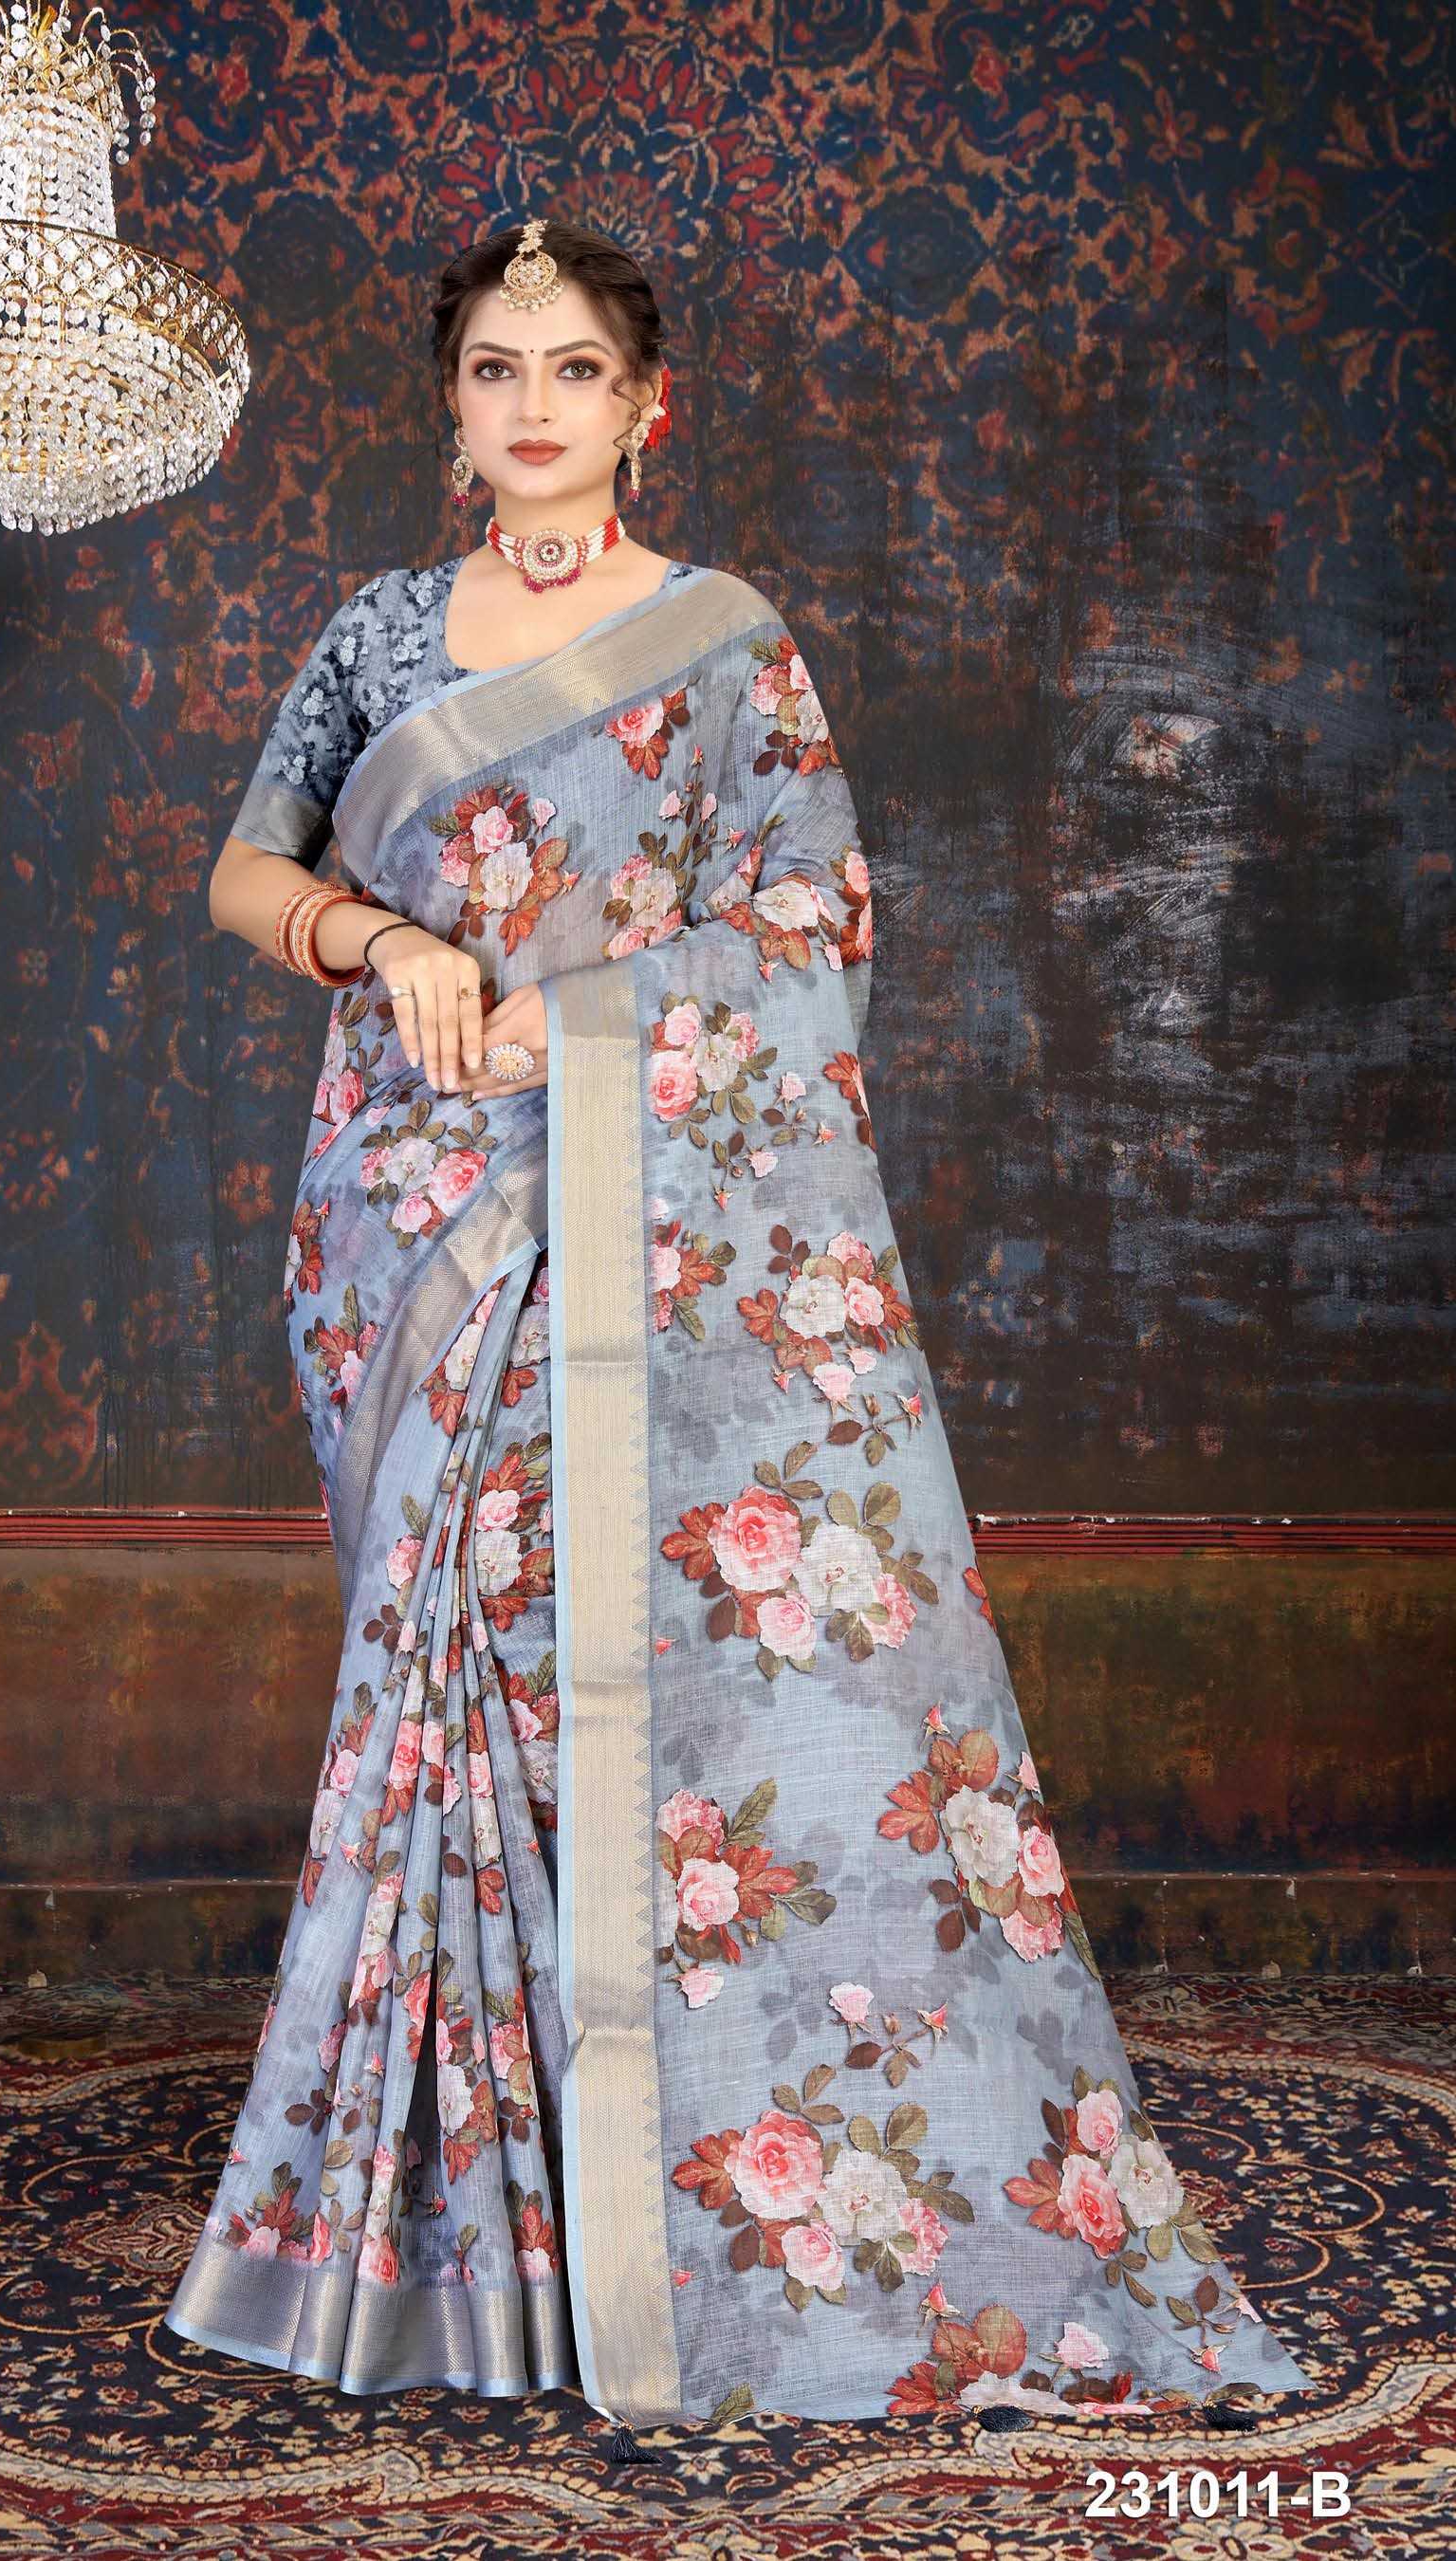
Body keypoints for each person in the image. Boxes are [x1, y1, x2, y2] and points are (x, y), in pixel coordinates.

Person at [161, 216, 1315, 2454]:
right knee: (447, 1665)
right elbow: (246, 866)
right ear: (452, 402)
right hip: (404, 1214)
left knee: (581, 1651)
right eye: (495, 369)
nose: (532, 407)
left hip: (638, 1217)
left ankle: (634, 2223)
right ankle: (460, 2230)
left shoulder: (724, 644)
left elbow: (812, 923)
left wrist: (573, 1021)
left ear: (643, 406)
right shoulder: (381, 632)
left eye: (574, 370)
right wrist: (378, 940)